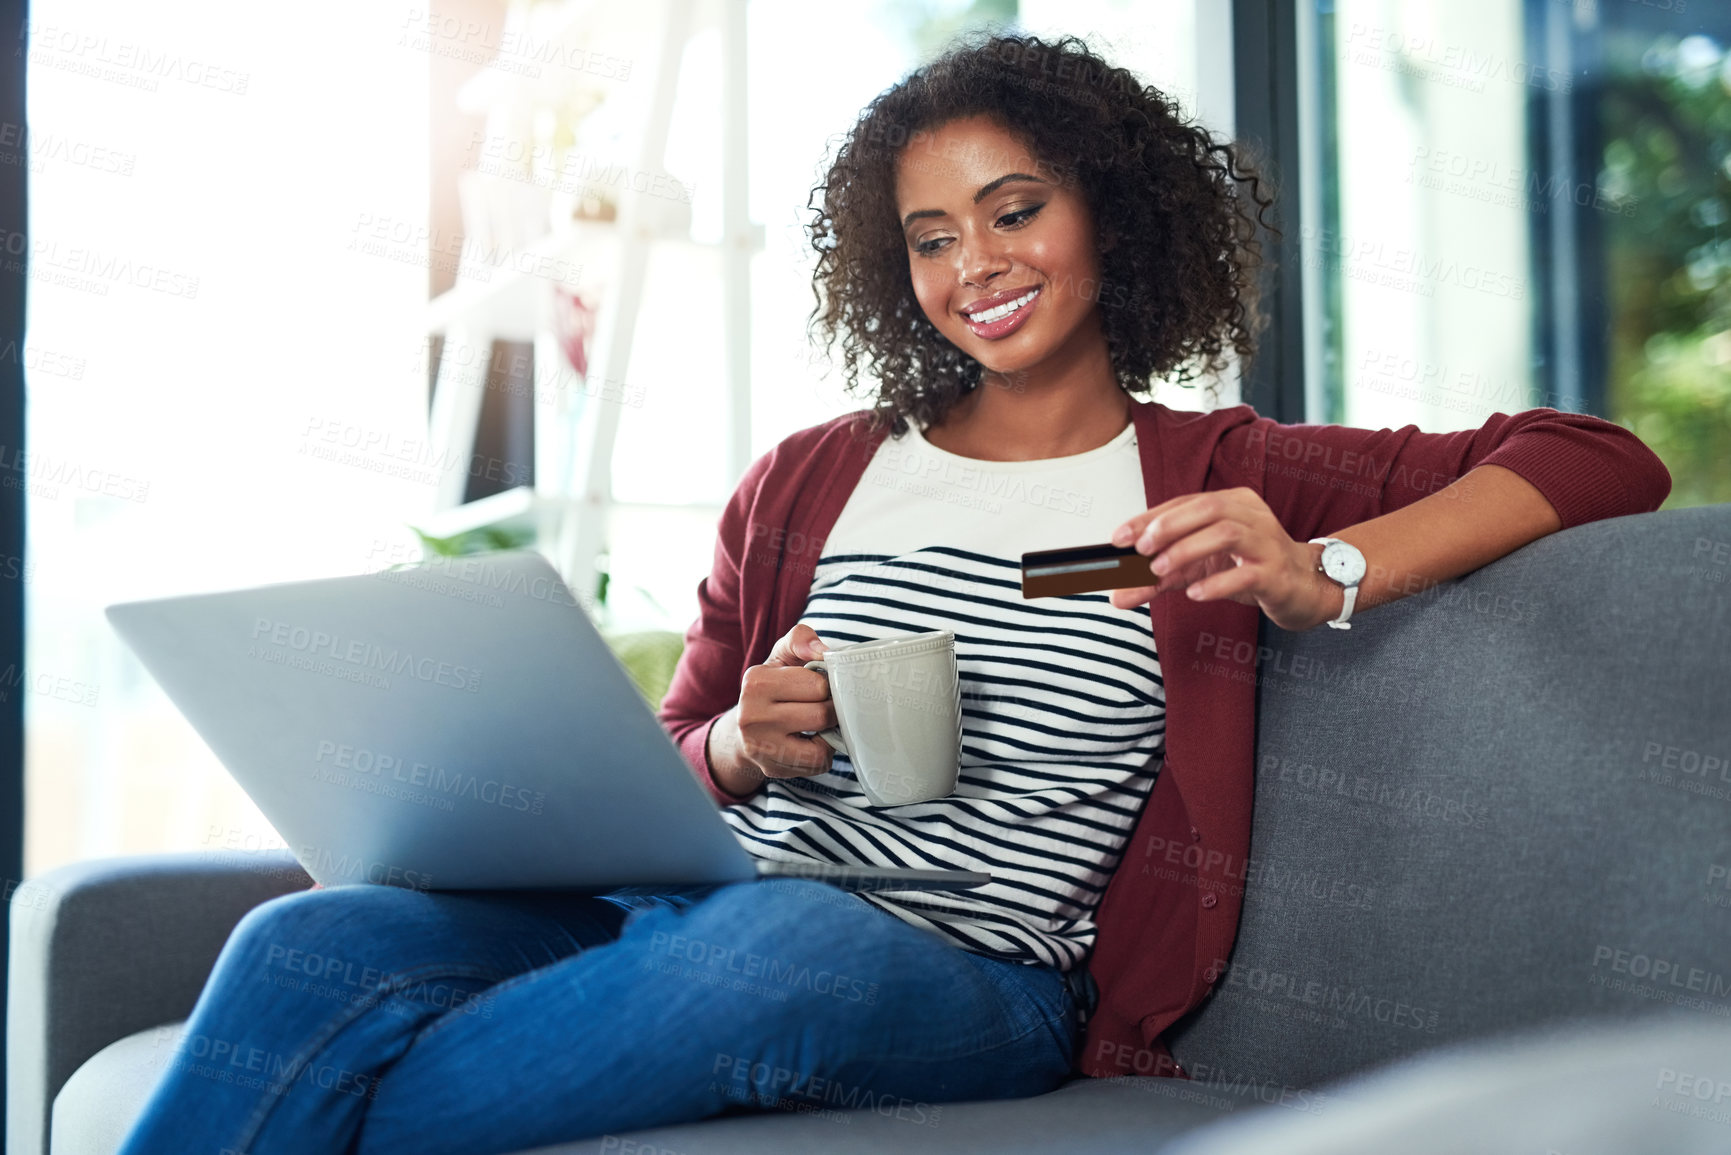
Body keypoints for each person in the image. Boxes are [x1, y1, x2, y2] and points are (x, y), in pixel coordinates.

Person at [118, 32, 1670, 1155]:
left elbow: (1595, 456)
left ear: (1110, 219)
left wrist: (1322, 573)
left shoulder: (1214, 471)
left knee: (766, 958)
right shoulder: (809, 479)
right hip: (693, 905)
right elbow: (663, 774)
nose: (974, 263)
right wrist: (737, 746)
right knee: (305, 949)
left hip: (962, 969)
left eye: (1014, 209)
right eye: (930, 236)